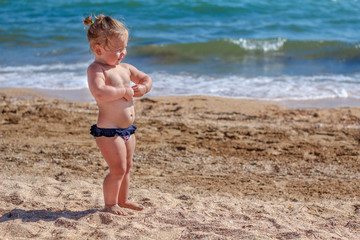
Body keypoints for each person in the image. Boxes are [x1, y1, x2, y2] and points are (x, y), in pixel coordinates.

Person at [83, 14, 152, 215]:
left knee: (127, 167)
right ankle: (110, 204)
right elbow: (99, 92)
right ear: (98, 49)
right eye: (118, 49)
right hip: (108, 131)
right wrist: (123, 92)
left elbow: (145, 77)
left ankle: (123, 200)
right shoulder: (96, 69)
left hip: (128, 130)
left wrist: (144, 87)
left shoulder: (125, 68)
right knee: (117, 169)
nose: (123, 53)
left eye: (125, 48)